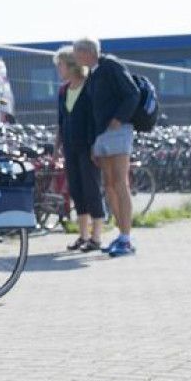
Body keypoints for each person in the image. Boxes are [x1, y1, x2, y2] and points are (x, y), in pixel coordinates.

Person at [72, 37, 140, 257]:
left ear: (88, 52)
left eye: (76, 52)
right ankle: (121, 235)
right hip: (102, 136)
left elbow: (132, 93)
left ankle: (127, 239)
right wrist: (94, 142)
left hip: (118, 132)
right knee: (109, 185)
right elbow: (93, 111)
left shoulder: (111, 65)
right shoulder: (93, 74)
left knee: (121, 182)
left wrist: (119, 118)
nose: (74, 57)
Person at [53, 47, 105, 251]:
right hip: (70, 147)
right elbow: (60, 120)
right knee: (76, 189)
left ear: (71, 65)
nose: (59, 69)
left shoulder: (89, 87)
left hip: (87, 147)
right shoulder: (63, 90)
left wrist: (95, 146)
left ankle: (97, 237)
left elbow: (95, 119)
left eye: (61, 65)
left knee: (92, 189)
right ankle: (83, 235)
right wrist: (57, 146)